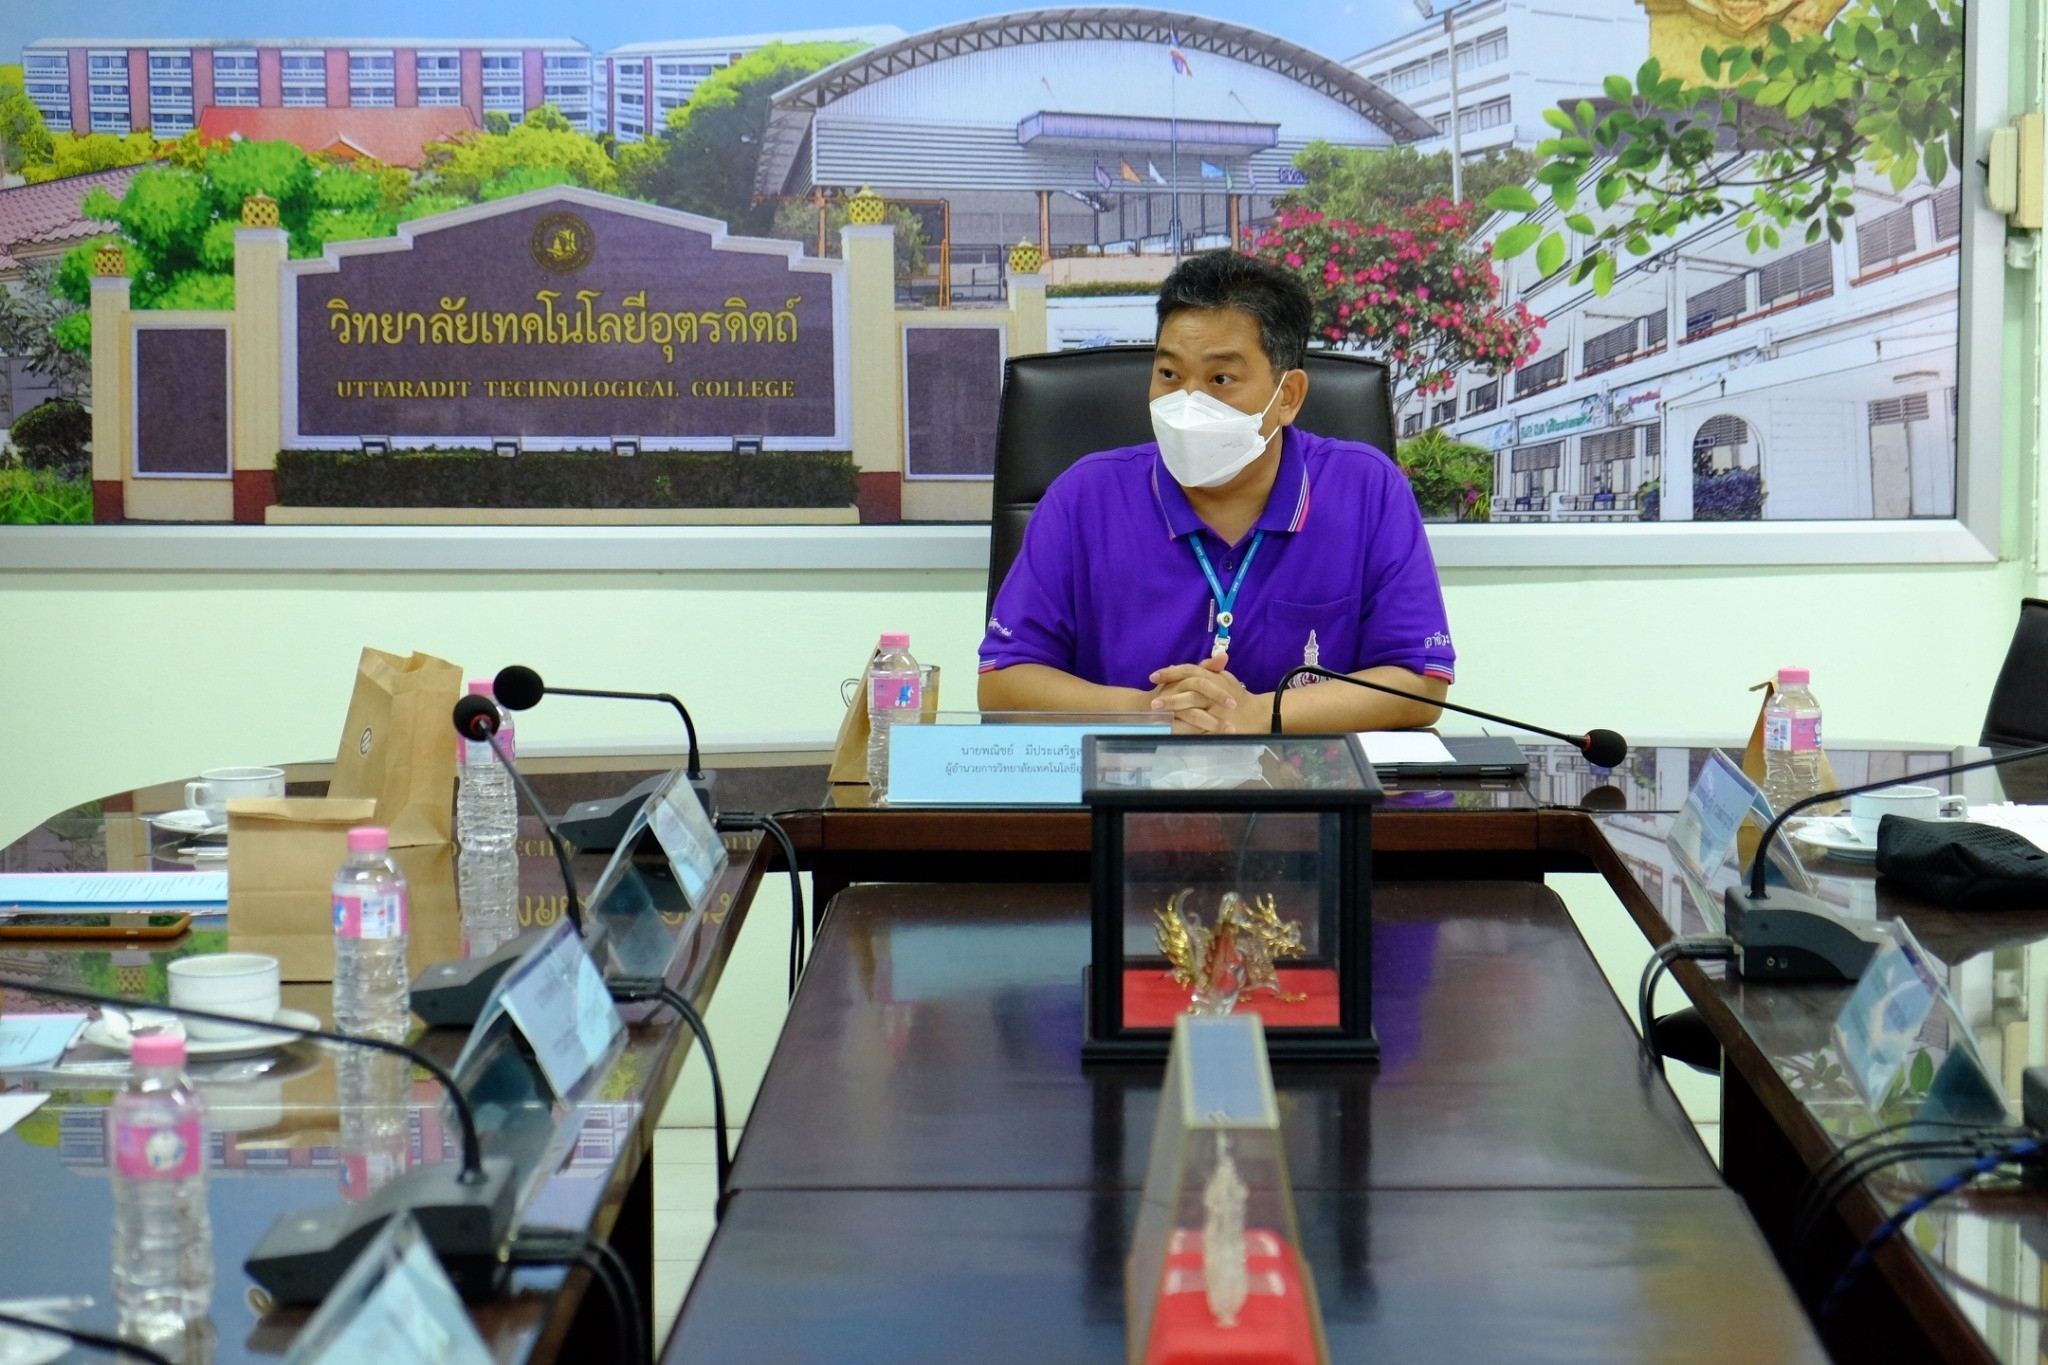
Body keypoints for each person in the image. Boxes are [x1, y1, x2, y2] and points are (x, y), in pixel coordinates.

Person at [977, 250, 1455, 734]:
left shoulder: (1367, 489)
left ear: (1287, 397)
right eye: (1169, 375)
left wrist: (1260, 714)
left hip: (1306, 797)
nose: (1187, 401)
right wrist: (1148, 713)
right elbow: (1002, 684)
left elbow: (1420, 682)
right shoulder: (1084, 497)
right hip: (1126, 790)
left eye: (1220, 379)